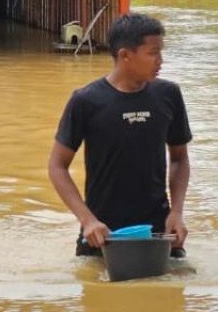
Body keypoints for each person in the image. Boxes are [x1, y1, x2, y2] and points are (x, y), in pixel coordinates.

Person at [47, 13, 191, 258]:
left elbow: (179, 158)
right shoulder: (86, 100)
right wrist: (88, 221)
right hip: (102, 235)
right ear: (125, 55)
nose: (161, 60)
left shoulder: (168, 95)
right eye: (153, 52)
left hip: (157, 233)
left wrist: (176, 213)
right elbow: (57, 167)